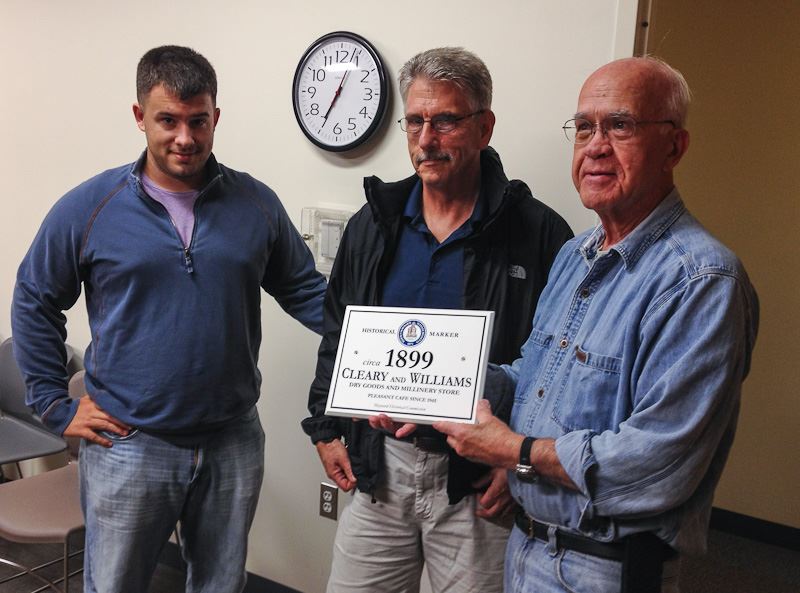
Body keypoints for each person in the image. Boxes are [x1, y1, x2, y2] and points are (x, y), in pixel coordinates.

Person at [434, 57, 759, 593]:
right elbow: (534, 380)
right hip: (526, 548)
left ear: (674, 147)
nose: (596, 146)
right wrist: (435, 387)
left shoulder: (702, 281)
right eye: (584, 127)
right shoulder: (574, 255)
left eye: (621, 125)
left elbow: (658, 465)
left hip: (603, 569)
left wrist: (513, 451)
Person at [12, 45, 326, 593]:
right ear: (140, 117)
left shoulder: (255, 204)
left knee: (220, 584)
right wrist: (53, 404)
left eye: (198, 121)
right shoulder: (91, 207)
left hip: (231, 439)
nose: (185, 137)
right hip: (129, 443)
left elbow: (306, 290)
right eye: (168, 121)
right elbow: (35, 298)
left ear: (215, 117)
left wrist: (380, 339)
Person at [302, 47, 573, 593]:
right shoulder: (373, 224)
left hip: (476, 480)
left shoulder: (538, 233)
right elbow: (338, 330)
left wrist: (517, 462)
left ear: (484, 127)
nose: (426, 139)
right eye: (415, 121)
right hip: (380, 467)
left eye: (445, 120)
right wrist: (325, 429)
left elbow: (560, 369)